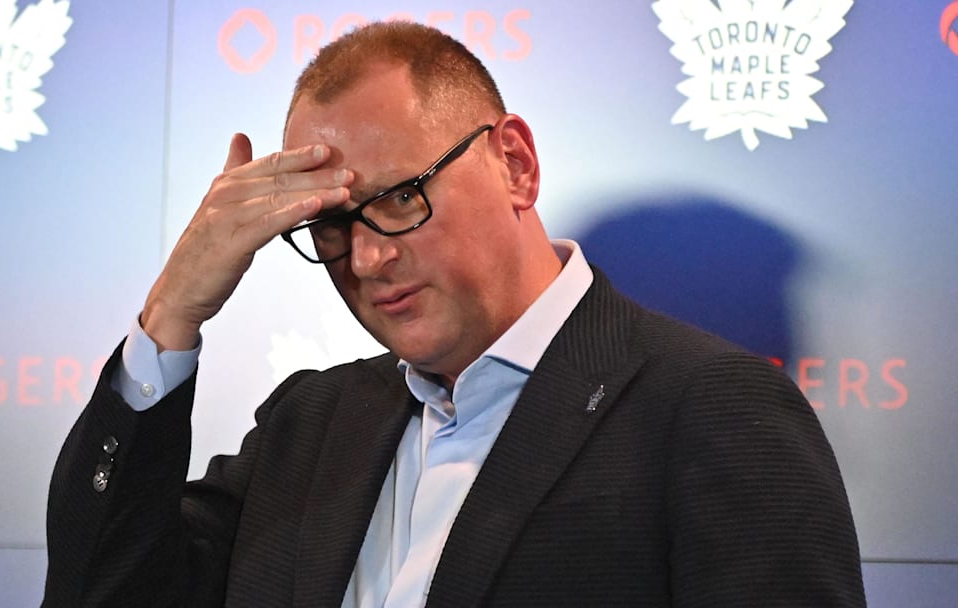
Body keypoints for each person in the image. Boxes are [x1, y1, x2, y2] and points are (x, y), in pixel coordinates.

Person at [43, 21, 866, 607]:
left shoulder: (709, 410)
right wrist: (171, 314)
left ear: (515, 164)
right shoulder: (311, 423)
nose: (367, 259)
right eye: (330, 225)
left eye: (401, 198)